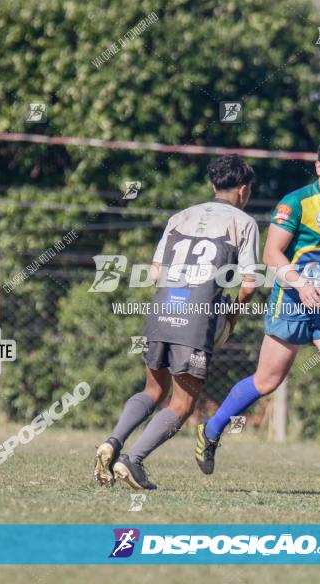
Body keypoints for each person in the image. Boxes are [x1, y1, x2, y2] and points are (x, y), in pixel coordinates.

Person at [195, 133, 320, 484]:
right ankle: (211, 429)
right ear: (318, 166)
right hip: (291, 301)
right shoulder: (295, 203)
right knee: (267, 381)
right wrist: (301, 283)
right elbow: (271, 254)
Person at [94, 155, 260, 490]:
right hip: (197, 320)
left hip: (162, 309)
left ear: (214, 186)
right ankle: (133, 460)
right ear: (242, 190)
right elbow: (250, 283)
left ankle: (113, 442)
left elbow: (156, 273)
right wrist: (231, 317)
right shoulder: (244, 222)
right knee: (183, 404)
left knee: (153, 389)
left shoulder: (179, 217)